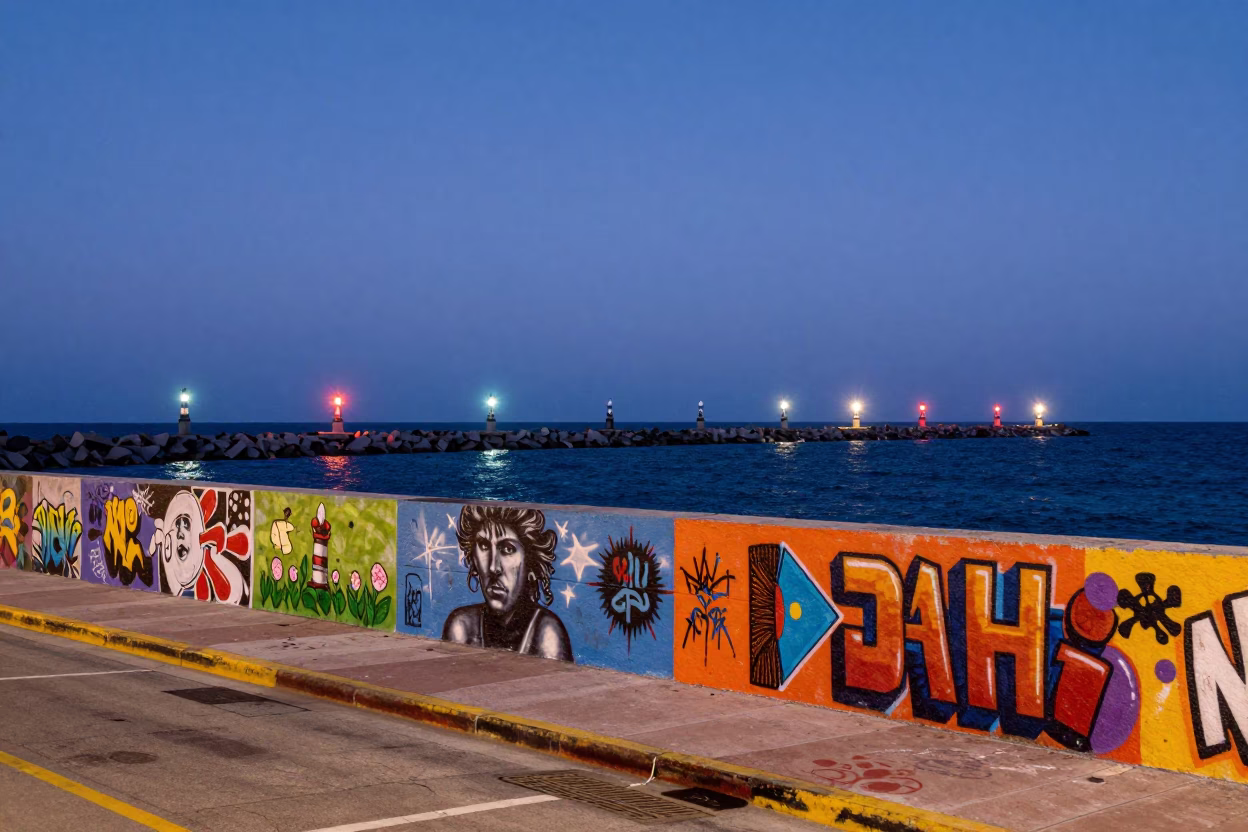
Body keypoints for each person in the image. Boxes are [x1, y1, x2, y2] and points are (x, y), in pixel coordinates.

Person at [442, 505, 573, 661]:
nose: (493, 567)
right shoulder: (462, 626)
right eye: (484, 546)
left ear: (530, 561)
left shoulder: (547, 633)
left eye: (508, 549)